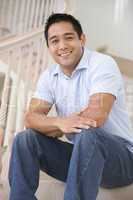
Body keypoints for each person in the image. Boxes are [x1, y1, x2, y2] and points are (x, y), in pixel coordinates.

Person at [9, 13, 133, 200]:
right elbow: (31, 119)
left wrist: (49, 125)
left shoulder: (101, 64)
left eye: (68, 38)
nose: (62, 46)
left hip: (120, 161)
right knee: (24, 139)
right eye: (55, 41)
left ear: (82, 39)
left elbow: (95, 117)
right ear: (49, 47)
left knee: (89, 133)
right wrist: (60, 123)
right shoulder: (49, 76)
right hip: (81, 156)